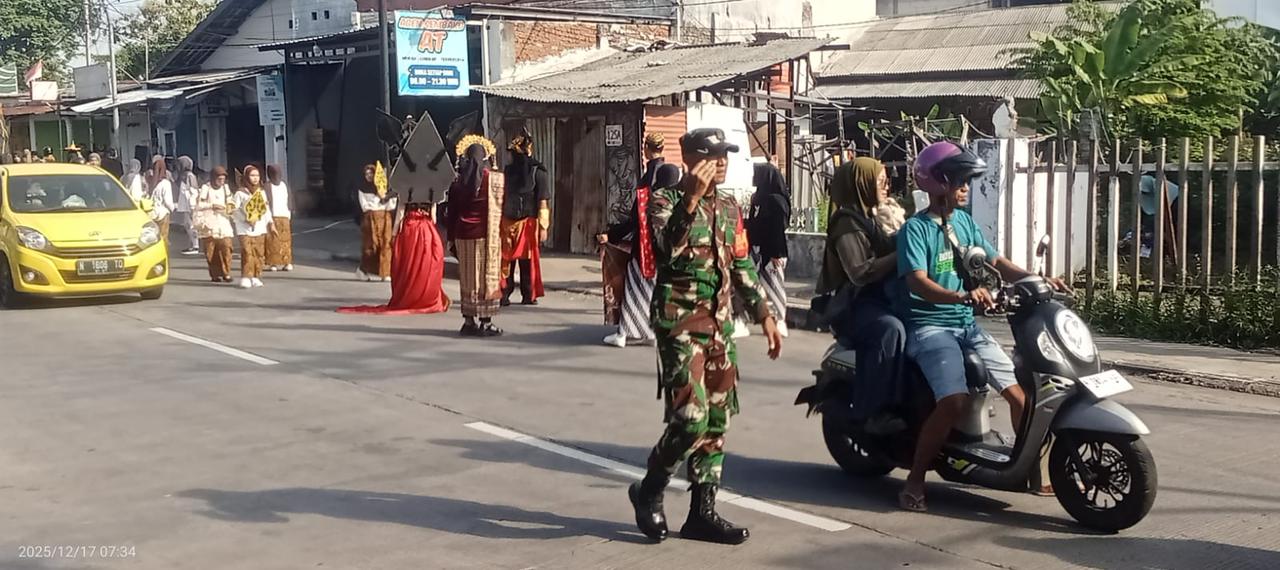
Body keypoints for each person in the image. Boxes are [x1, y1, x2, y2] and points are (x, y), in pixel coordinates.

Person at [629, 128, 784, 546]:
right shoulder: (665, 201)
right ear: (690, 160)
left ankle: (702, 512)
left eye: (725, 155)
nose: (721, 162)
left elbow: (741, 265)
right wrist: (691, 200)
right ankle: (650, 489)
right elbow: (665, 251)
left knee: (717, 419)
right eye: (712, 155)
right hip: (679, 323)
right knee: (689, 419)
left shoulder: (730, 207)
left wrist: (765, 315)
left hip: (719, 324)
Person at [896, 141, 1069, 513]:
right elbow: (918, 282)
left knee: (1023, 398)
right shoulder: (915, 229)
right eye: (959, 181)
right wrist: (961, 296)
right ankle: (915, 480)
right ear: (939, 182)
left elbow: (996, 262)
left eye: (966, 182)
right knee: (953, 402)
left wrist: (1037, 279)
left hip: (966, 326)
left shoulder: (964, 222)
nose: (965, 189)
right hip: (930, 327)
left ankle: (1030, 471)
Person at [818, 157, 908, 432]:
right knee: (891, 330)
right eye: (879, 181)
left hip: (887, 297)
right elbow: (860, 272)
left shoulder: (880, 215)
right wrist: (900, 255)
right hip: (859, 304)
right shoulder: (847, 224)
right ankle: (873, 412)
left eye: (886, 181)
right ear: (862, 184)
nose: (886, 186)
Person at [598, 161, 682, 348]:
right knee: (655, 295)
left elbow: (633, 223)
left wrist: (610, 235)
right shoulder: (682, 201)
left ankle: (623, 334)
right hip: (668, 257)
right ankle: (652, 333)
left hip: (643, 254)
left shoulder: (649, 198)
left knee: (633, 292)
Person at [337, 201, 450, 315]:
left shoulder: (406, 192)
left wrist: (394, 234)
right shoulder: (432, 193)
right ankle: (426, 296)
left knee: (407, 264)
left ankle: (407, 296)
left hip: (409, 228)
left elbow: (400, 213)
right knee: (426, 264)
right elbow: (433, 218)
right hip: (427, 230)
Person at [447, 137, 505, 337]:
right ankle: (486, 322)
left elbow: (451, 214)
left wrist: (450, 239)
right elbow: (504, 208)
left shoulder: (458, 183)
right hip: (487, 236)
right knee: (486, 277)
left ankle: (468, 321)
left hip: (463, 236)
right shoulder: (495, 181)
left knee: (468, 279)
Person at [499, 133, 550, 306]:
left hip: (527, 222)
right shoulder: (508, 172)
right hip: (508, 221)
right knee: (507, 259)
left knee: (525, 260)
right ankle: (505, 293)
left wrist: (543, 227)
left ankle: (527, 293)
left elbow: (542, 201)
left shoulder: (538, 172)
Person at [746, 160, 792, 337]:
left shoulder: (776, 201)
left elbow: (778, 229)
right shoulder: (759, 197)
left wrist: (776, 253)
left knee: (774, 285)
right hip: (756, 248)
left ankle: (779, 319)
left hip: (772, 251)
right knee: (753, 285)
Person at [232, 165, 273, 289]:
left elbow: (266, 209)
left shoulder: (261, 192)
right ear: (246, 177)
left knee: (258, 253)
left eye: (257, 175)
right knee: (247, 252)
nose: (255, 178)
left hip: (259, 228)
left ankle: (255, 276)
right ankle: (246, 276)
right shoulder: (240, 193)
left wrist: (271, 223)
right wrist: (246, 219)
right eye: (252, 175)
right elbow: (234, 209)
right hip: (244, 228)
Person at [195, 167, 236, 283]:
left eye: (223, 179)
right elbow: (199, 205)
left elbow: (231, 202)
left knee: (226, 247)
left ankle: (226, 273)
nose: (221, 182)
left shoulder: (226, 189)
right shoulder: (206, 188)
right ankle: (215, 274)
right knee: (211, 251)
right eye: (219, 179)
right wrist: (212, 206)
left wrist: (230, 208)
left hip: (223, 222)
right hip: (209, 223)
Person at [356, 164, 396, 282]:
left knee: (386, 245)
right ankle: (362, 269)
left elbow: (391, 206)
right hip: (370, 219)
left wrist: (386, 197)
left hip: (385, 218)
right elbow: (365, 206)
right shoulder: (363, 189)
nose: (368, 176)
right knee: (371, 246)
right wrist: (378, 198)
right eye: (366, 174)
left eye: (371, 173)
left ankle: (385, 272)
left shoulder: (385, 188)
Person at [265, 164, 294, 271]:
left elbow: (289, 199)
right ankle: (273, 263)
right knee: (272, 241)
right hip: (272, 216)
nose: (276, 175)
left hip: (284, 216)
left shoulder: (284, 185)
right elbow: (265, 203)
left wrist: (289, 213)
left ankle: (287, 262)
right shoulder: (267, 186)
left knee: (286, 241)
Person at [174, 156, 201, 255]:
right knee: (187, 225)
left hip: (190, 206)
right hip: (186, 206)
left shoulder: (190, 176)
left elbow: (193, 191)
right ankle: (192, 245)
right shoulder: (183, 176)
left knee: (191, 225)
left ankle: (195, 246)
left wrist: (192, 206)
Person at [148, 159, 175, 245]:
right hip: (163, 213)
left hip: (152, 213)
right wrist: (173, 208)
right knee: (163, 237)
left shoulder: (151, 182)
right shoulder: (166, 183)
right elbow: (167, 201)